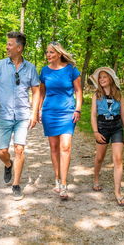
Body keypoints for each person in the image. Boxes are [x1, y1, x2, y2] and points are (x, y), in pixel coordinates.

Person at [0, 31, 40, 201]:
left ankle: (16, 184)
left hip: (23, 115)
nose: (7, 47)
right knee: (2, 152)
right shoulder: (0, 65)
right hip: (4, 114)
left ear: (19, 48)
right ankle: (8, 165)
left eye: (10, 44)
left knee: (19, 149)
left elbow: (36, 91)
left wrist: (34, 112)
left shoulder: (30, 68)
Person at [38, 41, 82, 200]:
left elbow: (78, 91)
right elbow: (41, 93)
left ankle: (64, 184)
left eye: (51, 52)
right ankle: (57, 179)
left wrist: (78, 109)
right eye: (47, 52)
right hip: (50, 112)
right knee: (54, 147)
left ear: (59, 53)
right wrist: (38, 110)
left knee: (66, 147)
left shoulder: (71, 70)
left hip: (68, 113)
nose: (48, 55)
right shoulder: (44, 71)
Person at [89, 67, 124, 206]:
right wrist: (96, 132)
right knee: (100, 157)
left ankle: (117, 192)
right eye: (100, 78)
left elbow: (123, 115)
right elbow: (93, 115)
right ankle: (95, 179)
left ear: (111, 79)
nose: (102, 79)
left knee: (118, 159)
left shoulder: (118, 94)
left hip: (117, 128)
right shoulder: (97, 95)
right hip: (102, 128)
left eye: (104, 77)